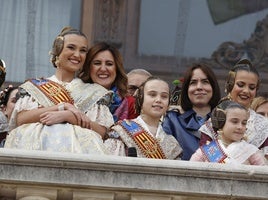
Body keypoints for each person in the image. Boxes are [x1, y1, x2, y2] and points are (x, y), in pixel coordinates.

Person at [4, 26, 114, 154]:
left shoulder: (94, 92)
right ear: (58, 49)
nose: (77, 55)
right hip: (35, 153)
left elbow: (103, 132)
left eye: (83, 50)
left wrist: (69, 116)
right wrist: (62, 106)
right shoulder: (35, 86)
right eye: (71, 47)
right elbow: (20, 119)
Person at [199, 58, 268, 159]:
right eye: (241, 85)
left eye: (252, 87)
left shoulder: (264, 126)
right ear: (229, 85)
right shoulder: (212, 125)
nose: (246, 91)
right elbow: (205, 160)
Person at [104, 77, 182, 159]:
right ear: (141, 98)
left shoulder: (172, 142)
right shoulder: (121, 131)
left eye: (164, 96)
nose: (159, 100)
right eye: (152, 95)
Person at [162, 63, 221, 160]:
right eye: (193, 82)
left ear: (213, 87)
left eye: (205, 82)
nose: (199, 87)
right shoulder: (172, 120)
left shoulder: (225, 122)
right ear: (186, 89)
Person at [190, 101, 266, 165]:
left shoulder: (251, 151)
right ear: (221, 123)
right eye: (234, 122)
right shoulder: (209, 150)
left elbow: (263, 175)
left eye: (244, 123)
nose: (240, 127)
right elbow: (190, 170)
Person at [79, 42, 137, 122]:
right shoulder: (76, 96)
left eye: (109, 64)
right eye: (97, 63)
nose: (103, 69)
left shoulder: (131, 104)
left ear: (117, 69)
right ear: (89, 68)